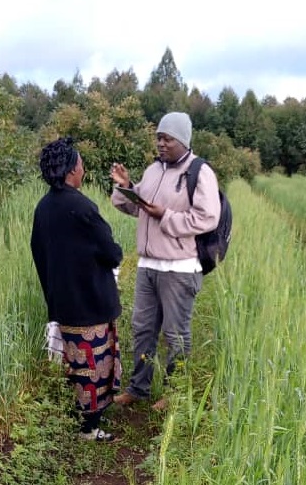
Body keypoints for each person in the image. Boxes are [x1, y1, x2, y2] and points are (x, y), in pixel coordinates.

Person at [110, 112, 221, 410]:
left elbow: (208, 218)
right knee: (143, 328)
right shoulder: (153, 170)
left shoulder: (199, 172)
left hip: (180, 267)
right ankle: (138, 388)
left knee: (176, 334)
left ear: (183, 140)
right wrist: (126, 186)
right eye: (158, 138)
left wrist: (166, 216)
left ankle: (175, 394)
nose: (161, 143)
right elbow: (139, 208)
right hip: (149, 266)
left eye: (167, 139)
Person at [31, 137, 123, 441]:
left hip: (63, 301)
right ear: (71, 170)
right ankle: (89, 427)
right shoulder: (82, 206)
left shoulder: (43, 207)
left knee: (75, 364)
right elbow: (110, 251)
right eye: (81, 164)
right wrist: (116, 253)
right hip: (90, 302)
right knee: (95, 366)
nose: (83, 170)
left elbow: (39, 252)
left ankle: (79, 418)